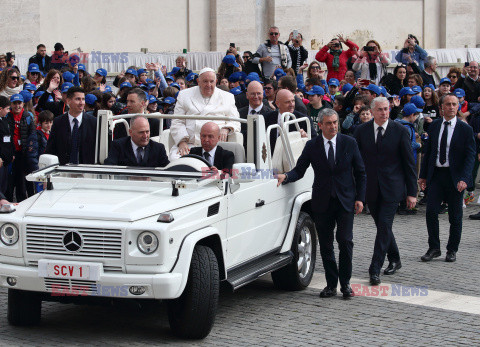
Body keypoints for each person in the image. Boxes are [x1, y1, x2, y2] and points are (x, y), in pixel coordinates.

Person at [276, 109, 366, 298]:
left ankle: (346, 284)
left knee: (345, 241)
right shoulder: (312, 145)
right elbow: (299, 170)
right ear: (321, 126)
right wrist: (286, 177)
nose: (333, 126)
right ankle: (331, 285)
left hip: (345, 201)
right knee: (326, 245)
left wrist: (360, 198)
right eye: (329, 123)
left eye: (335, 122)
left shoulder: (349, 143)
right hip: (322, 202)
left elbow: (360, 172)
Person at [354, 97, 417, 285]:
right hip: (371, 188)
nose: (384, 113)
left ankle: (375, 268)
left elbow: (409, 164)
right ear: (372, 111)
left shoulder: (400, 131)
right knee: (383, 226)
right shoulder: (361, 131)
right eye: (380, 110)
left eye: (386, 109)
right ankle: (395, 259)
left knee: (383, 226)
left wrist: (412, 192)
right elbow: (356, 162)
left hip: (392, 188)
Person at [418, 94, 476, 262]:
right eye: (448, 104)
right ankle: (434, 247)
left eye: (454, 104)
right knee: (430, 212)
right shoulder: (435, 126)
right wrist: (423, 176)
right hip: (437, 175)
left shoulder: (465, 129)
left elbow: (470, 156)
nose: (451, 107)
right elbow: (428, 153)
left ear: (458, 107)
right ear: (441, 107)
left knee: (455, 216)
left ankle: (452, 249)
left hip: (455, 177)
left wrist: (465, 178)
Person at [169, 68, 240, 159]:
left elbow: (235, 120)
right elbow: (177, 121)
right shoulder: (184, 95)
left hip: (216, 146)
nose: (208, 85)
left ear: (216, 82)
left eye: (211, 81)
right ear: (198, 81)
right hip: (190, 145)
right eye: (205, 81)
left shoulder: (227, 97)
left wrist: (226, 128)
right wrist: (181, 142)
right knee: (176, 161)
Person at [45, 87, 97, 165]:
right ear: (68, 101)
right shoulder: (58, 122)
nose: (81, 102)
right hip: (63, 171)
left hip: (87, 171)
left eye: (83, 99)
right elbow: (51, 149)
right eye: (78, 99)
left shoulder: (93, 122)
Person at [105, 116, 169, 167]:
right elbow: (109, 167)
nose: (145, 136)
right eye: (141, 132)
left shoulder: (158, 148)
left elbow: (167, 171)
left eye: (147, 131)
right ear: (130, 132)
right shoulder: (118, 146)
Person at [6, 94, 36, 202]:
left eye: (19, 103)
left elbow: (32, 136)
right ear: (11, 104)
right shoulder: (7, 116)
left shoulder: (28, 116)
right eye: (15, 103)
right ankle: (8, 203)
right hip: (10, 154)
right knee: (9, 182)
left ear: (23, 104)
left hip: (23, 154)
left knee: (21, 183)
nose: (17, 106)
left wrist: (30, 153)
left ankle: (21, 203)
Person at [238, 81, 271, 149]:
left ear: (263, 94)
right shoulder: (239, 113)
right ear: (247, 95)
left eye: (258, 93)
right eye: (253, 94)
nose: (256, 97)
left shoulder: (270, 114)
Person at [0, 96, 14, 196]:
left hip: (6, 160)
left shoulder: (5, 120)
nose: (9, 111)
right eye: (7, 109)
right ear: (0, 108)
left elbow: (9, 138)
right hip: (0, 159)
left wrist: (11, 154)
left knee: (4, 186)